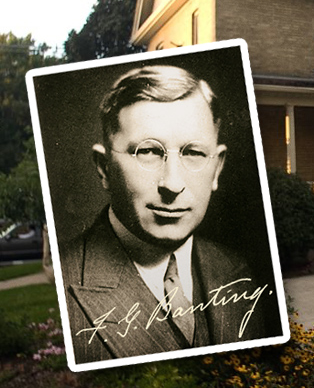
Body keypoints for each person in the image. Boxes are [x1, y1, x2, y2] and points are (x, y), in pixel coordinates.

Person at [61, 65, 278, 363]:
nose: (172, 184)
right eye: (148, 152)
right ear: (104, 168)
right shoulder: (63, 282)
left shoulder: (237, 271)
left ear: (217, 168)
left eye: (193, 153)